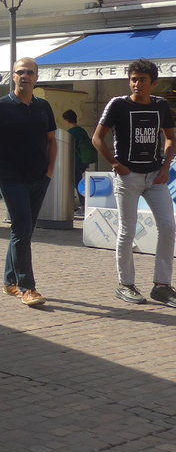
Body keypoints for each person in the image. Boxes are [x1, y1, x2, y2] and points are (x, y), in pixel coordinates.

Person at [91, 59, 176, 308]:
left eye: (142, 79)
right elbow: (97, 138)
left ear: (154, 83)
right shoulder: (118, 104)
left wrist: (165, 166)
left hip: (155, 177)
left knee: (169, 227)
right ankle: (125, 284)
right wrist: (116, 165)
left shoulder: (161, 105)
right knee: (127, 231)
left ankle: (162, 286)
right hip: (129, 177)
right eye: (133, 79)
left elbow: (171, 138)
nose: (137, 84)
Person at [0, 57, 56, 308]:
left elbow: (52, 140)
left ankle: (9, 282)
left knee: (23, 232)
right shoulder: (0, 106)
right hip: (10, 178)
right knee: (22, 230)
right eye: (20, 72)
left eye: (30, 72)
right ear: (13, 76)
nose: (25, 76)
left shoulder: (43, 107)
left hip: (39, 178)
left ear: (37, 78)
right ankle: (27, 287)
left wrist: (50, 172)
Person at [63, 109, 96, 211]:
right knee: (76, 183)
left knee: (76, 183)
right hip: (83, 161)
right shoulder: (82, 131)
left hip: (74, 162)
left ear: (67, 120)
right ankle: (78, 205)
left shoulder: (70, 133)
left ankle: (82, 205)